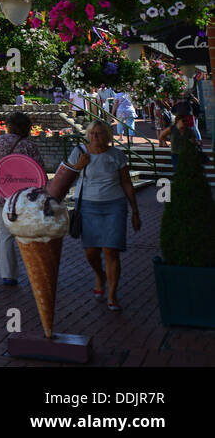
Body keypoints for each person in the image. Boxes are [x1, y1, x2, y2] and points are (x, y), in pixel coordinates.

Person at [67, 120, 142, 311]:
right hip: (88, 205)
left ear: (108, 136)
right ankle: (100, 275)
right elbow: (65, 176)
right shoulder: (80, 152)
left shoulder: (116, 156)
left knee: (111, 250)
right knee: (91, 251)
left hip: (114, 205)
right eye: (92, 133)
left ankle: (112, 294)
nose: (95, 137)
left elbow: (126, 182)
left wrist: (135, 211)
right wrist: (78, 166)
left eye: (99, 133)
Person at [0, 111, 46, 286]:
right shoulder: (29, 145)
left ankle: (8, 275)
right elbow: (40, 171)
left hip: (2, 193)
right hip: (26, 196)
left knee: (5, 234)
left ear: (9, 125)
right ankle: (35, 269)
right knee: (27, 232)